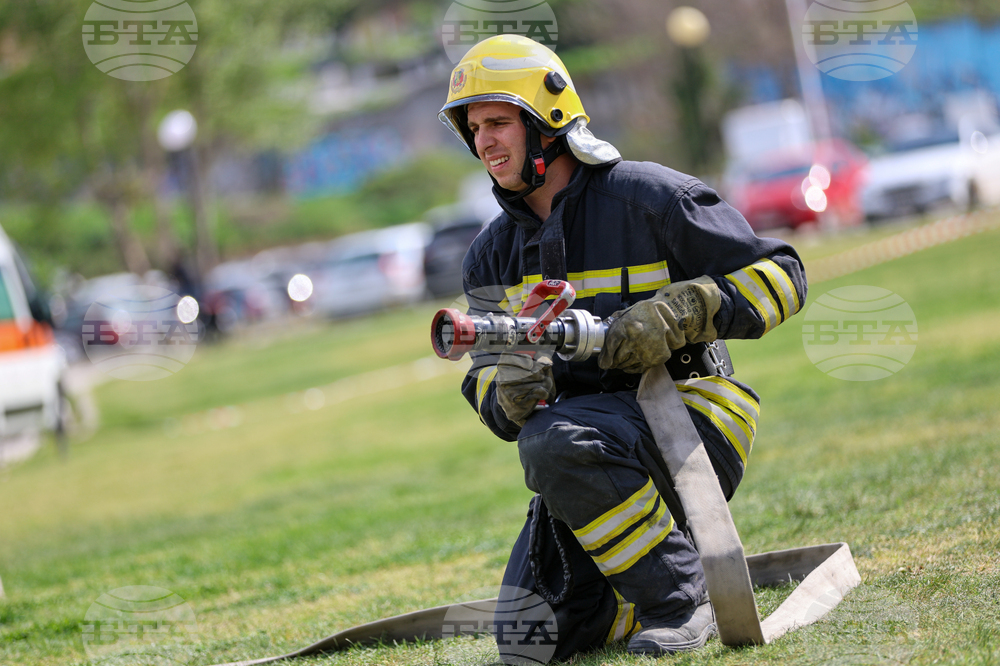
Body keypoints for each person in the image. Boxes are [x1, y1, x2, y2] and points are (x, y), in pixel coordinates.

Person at [438, 34, 807, 660]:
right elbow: (485, 387)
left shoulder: (652, 198)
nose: (485, 143)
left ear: (546, 121)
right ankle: (636, 585)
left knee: (556, 442)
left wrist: (690, 308)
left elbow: (784, 276)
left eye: (499, 122)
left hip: (693, 413)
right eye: (474, 129)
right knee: (530, 638)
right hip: (583, 451)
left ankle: (680, 600)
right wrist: (509, 390)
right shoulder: (491, 255)